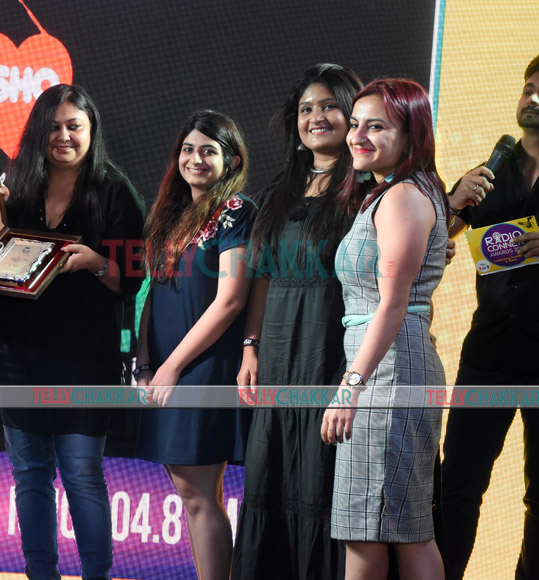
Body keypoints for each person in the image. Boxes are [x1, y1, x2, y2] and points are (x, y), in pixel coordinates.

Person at [0, 83, 145, 580]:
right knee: (29, 476)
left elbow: (132, 278)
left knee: (83, 477)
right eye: (53, 127)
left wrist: (94, 262)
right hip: (16, 355)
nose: (63, 136)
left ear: (91, 131)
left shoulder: (116, 191)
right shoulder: (16, 187)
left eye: (74, 126)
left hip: (84, 360)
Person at [230, 63, 362, 580]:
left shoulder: (368, 191)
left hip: (332, 351)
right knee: (271, 478)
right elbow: (260, 275)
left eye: (329, 105)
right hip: (279, 354)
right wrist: (250, 347)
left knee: (321, 482)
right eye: (306, 109)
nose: (316, 117)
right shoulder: (279, 191)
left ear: (352, 113)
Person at [320, 78, 448, 579]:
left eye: (377, 126)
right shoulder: (389, 195)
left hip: (389, 374)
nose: (358, 136)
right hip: (384, 369)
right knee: (379, 528)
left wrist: (350, 388)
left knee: (391, 530)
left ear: (410, 134)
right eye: (355, 124)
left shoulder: (402, 199)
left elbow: (392, 305)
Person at [134, 110, 256, 580]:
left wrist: (172, 367)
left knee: (201, 495)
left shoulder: (237, 212)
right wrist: (145, 364)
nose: (195, 159)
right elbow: (153, 294)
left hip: (204, 367)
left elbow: (230, 300)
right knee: (192, 496)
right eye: (188, 149)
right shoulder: (172, 213)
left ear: (232, 159)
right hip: (166, 370)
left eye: (208, 150)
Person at [439, 50, 539, 580]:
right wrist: (451, 207)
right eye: (529, 88)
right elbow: (437, 237)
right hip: (488, 353)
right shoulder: (492, 168)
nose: (533, 98)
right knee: (457, 486)